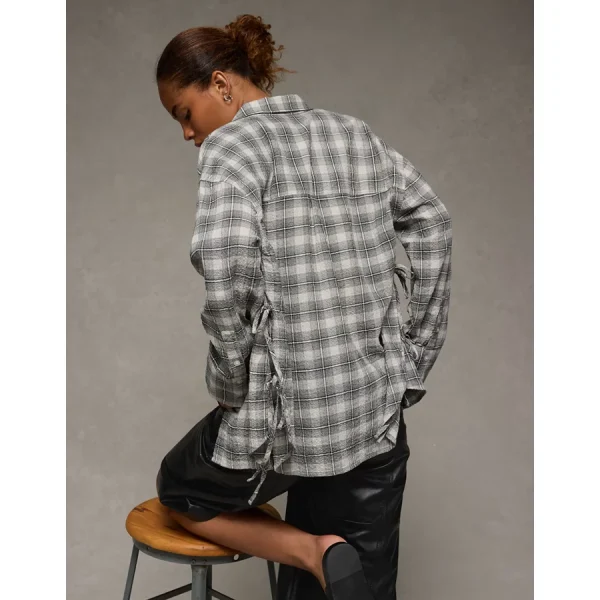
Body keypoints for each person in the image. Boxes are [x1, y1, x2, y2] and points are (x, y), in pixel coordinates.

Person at [154, 13, 452, 600]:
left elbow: (226, 270)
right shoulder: (354, 134)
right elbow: (432, 221)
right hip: (374, 412)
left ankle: (310, 550)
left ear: (221, 84)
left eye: (184, 113)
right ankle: (323, 556)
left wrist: (231, 382)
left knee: (180, 489)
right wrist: (414, 358)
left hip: (288, 424)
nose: (187, 133)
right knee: (358, 587)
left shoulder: (232, 146)